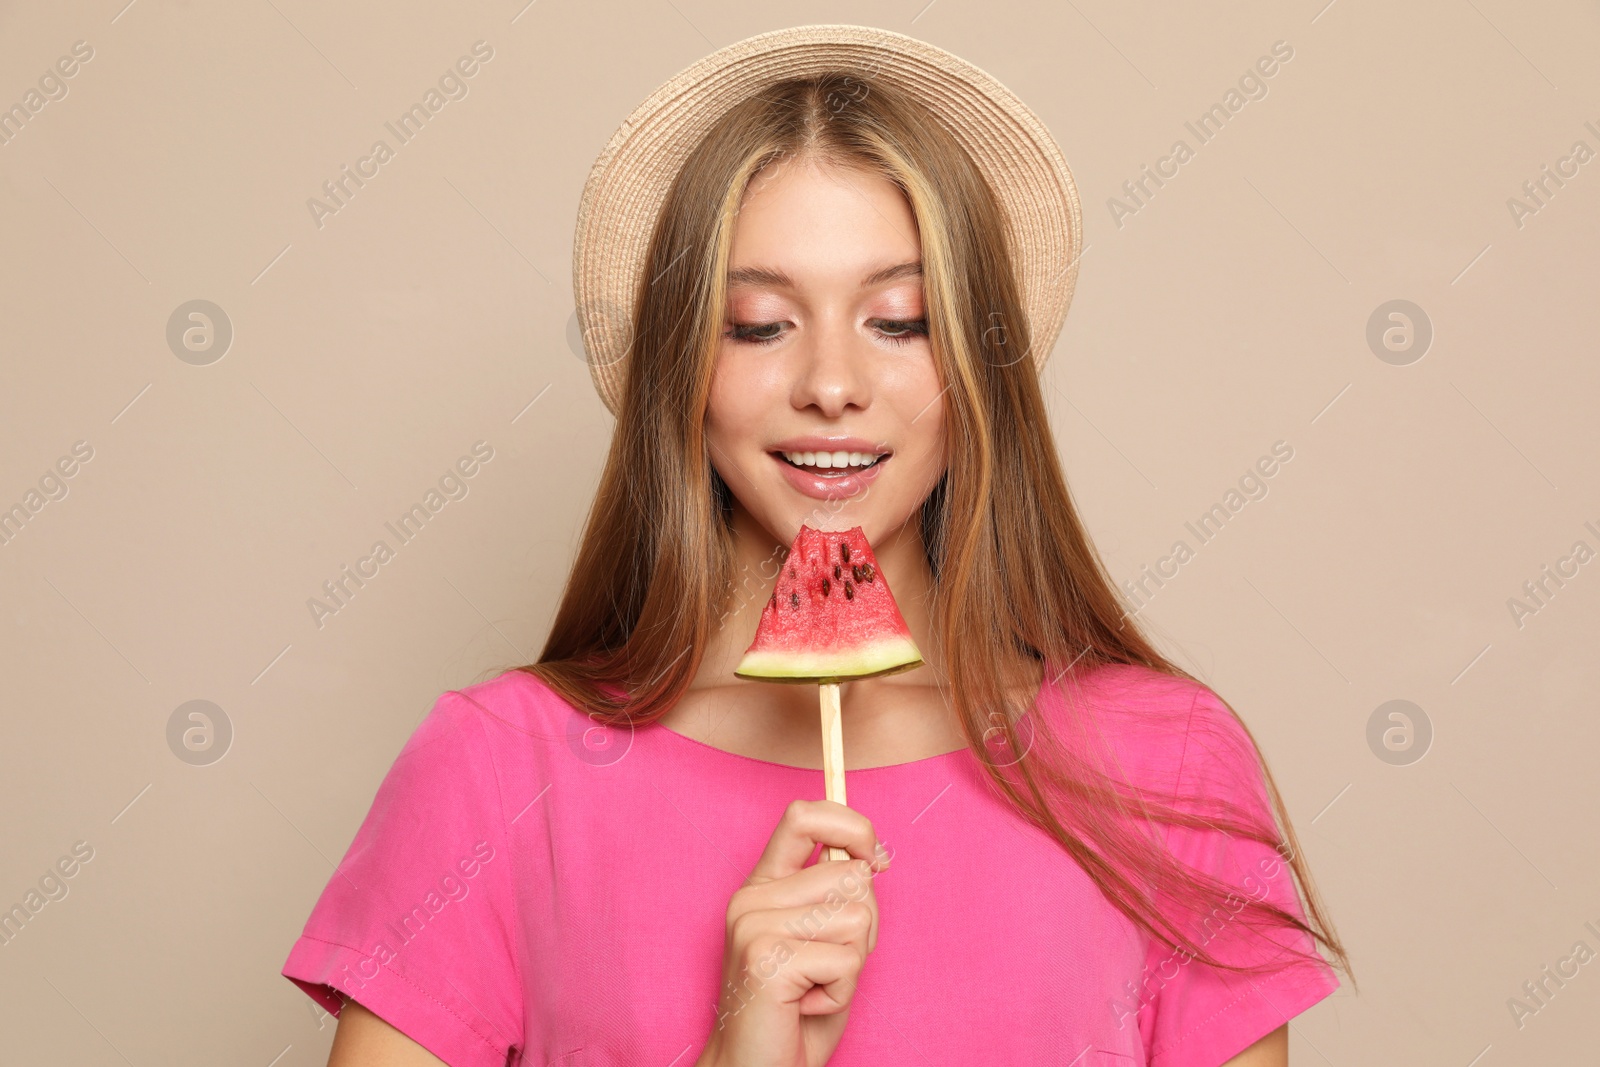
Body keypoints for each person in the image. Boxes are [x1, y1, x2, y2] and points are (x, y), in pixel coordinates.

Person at [282, 24, 1353, 1067]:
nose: (831, 384)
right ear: (680, 371)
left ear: (976, 373)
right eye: (756, 324)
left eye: (899, 320)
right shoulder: (499, 768)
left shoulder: (1163, 765)